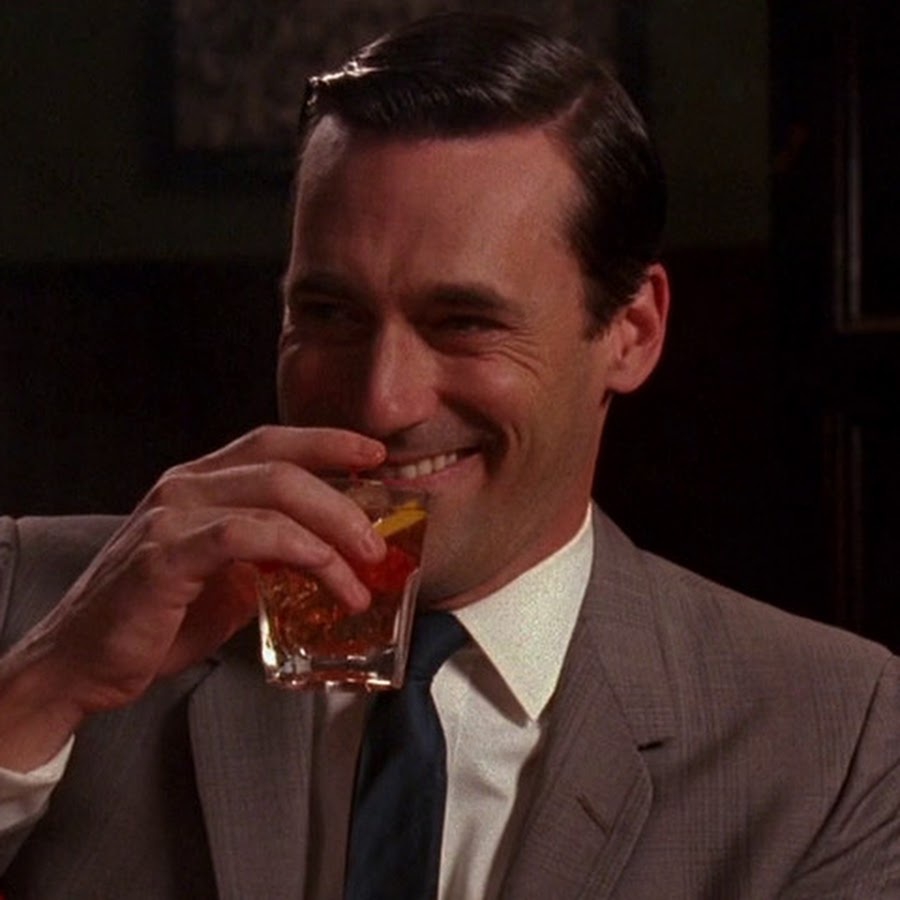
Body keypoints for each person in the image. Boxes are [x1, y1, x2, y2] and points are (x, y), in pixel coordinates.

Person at [0, 12, 897, 899]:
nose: (382, 401)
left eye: (464, 322)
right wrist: (38, 692)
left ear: (631, 333)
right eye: (330, 313)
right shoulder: (29, 602)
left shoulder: (836, 739)